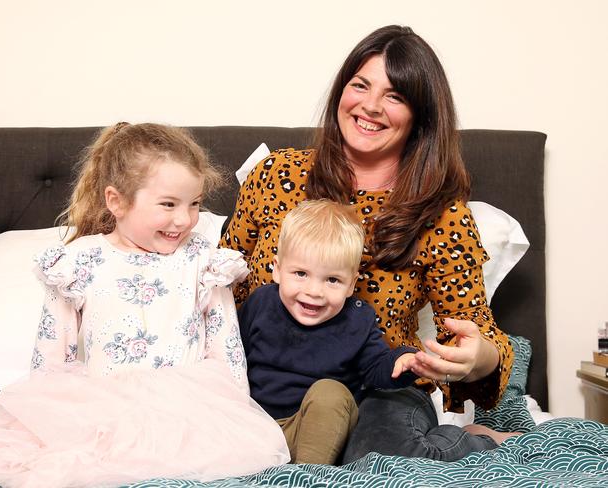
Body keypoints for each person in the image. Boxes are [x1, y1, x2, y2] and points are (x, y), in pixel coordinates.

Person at [222, 25, 518, 462]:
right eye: (360, 85)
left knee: (380, 461)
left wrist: (478, 357)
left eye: (395, 96)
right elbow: (222, 280)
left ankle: (478, 441)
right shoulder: (275, 177)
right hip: (273, 383)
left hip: (381, 386)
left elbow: (471, 326)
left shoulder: (441, 213)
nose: (371, 106)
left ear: (421, 115)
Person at [0, 122, 289, 487]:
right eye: (168, 204)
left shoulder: (204, 259)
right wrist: (48, 422)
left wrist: (233, 414)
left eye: (194, 204)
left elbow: (226, 348)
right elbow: (52, 357)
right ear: (116, 201)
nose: (184, 219)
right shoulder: (79, 262)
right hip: (106, 409)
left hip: (188, 410)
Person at [239, 199, 419, 465]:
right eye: (300, 273)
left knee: (330, 393)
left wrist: (404, 361)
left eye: (332, 280)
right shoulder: (260, 303)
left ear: (350, 285)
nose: (314, 291)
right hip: (256, 427)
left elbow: (376, 367)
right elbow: (232, 354)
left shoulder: (357, 319)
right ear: (277, 270)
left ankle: (308, 475)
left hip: (318, 431)